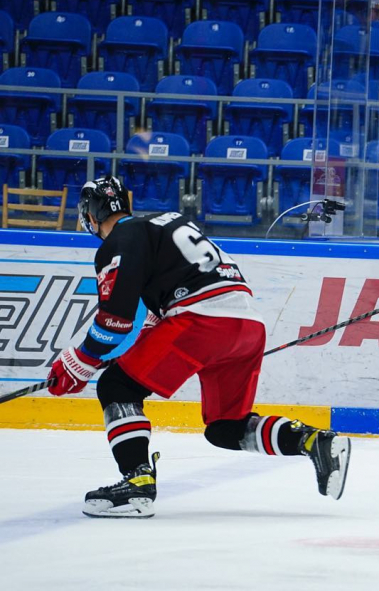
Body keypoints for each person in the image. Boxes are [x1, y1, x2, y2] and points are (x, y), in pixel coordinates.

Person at [47, 177, 350, 518]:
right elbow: (157, 315)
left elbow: (115, 319)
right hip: (247, 325)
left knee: (117, 386)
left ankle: (137, 482)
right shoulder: (163, 222)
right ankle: (315, 441)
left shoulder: (120, 240)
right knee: (225, 427)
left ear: (90, 214)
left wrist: (81, 361)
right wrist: (117, 356)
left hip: (201, 322)